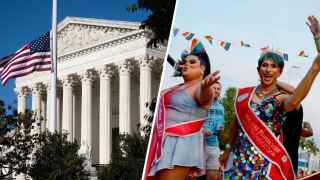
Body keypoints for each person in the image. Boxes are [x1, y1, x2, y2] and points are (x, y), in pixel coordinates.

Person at [219, 14, 320, 179]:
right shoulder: (245, 94)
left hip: (268, 164)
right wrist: (227, 150)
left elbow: (295, 99)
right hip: (241, 161)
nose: (268, 69)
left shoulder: (280, 98)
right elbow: (237, 123)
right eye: (264, 65)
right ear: (258, 69)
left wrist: (317, 46)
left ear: (279, 72)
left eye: (274, 66)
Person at [144, 38, 220, 180]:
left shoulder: (200, 88)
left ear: (203, 68)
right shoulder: (174, 88)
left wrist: (206, 86)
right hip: (161, 140)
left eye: (192, 62)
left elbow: (204, 97)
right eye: (184, 62)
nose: (186, 65)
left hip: (180, 143)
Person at [276, 81, 313, 176]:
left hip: (289, 162)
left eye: (285, 93)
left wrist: (274, 81)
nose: (283, 96)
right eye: (280, 93)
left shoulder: (295, 111)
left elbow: (295, 92)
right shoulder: (274, 112)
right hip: (273, 160)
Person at [202, 82, 225, 180]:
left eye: (218, 89)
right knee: (192, 176)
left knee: (213, 178)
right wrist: (203, 129)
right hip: (200, 144)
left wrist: (221, 130)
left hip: (215, 145)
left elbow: (221, 126)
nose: (216, 90)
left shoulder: (221, 108)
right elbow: (192, 123)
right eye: (214, 88)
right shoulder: (201, 104)